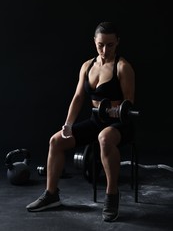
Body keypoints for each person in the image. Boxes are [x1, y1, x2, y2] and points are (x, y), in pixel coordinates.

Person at [26, 21, 135, 222]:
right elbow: (78, 98)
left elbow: (128, 105)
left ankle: (112, 195)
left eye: (110, 45)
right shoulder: (87, 66)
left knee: (104, 138)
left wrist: (115, 110)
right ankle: (51, 195)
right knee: (55, 141)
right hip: (96, 121)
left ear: (117, 42)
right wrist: (68, 124)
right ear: (94, 41)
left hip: (120, 124)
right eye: (100, 44)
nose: (104, 50)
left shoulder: (123, 67)